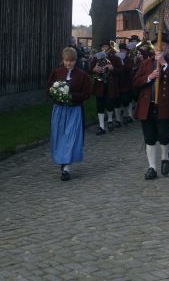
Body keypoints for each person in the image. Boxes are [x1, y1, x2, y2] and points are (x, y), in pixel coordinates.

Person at [133, 40, 169, 179]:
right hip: (147, 105)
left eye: (163, 45)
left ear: (167, 48)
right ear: (153, 48)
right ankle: (152, 167)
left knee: (163, 135)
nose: (159, 48)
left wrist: (164, 64)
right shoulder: (146, 63)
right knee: (149, 138)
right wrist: (149, 77)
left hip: (165, 106)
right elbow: (135, 82)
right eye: (156, 46)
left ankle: (165, 158)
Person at [47, 47, 92, 181]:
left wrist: (72, 96)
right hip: (59, 110)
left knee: (71, 137)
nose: (68, 64)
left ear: (75, 61)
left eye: (71, 61)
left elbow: (87, 93)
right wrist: (56, 94)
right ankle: (62, 161)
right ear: (63, 60)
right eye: (66, 61)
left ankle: (66, 167)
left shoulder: (82, 75)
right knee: (60, 136)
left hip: (74, 109)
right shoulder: (57, 72)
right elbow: (49, 89)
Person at [91, 41, 121, 134]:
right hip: (99, 84)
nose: (104, 49)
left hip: (110, 84)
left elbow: (120, 71)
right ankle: (101, 126)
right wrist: (94, 69)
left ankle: (110, 121)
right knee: (99, 105)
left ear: (109, 48)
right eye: (102, 47)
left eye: (106, 47)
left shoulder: (115, 58)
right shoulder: (96, 59)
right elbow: (90, 70)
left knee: (109, 104)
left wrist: (113, 69)